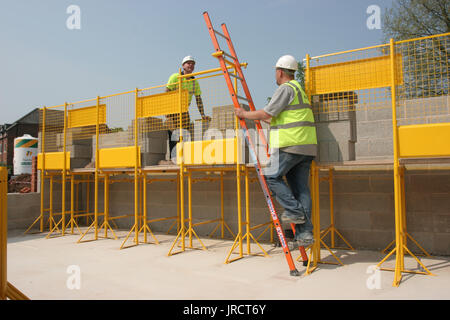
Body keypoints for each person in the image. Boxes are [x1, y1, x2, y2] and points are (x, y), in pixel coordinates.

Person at [234, 55, 317, 247]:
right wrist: (261, 117)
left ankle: (294, 211)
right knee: (301, 190)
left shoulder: (285, 88)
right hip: (307, 146)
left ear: (280, 72)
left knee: (271, 176)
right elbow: (276, 118)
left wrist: (244, 114)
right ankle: (305, 235)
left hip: (290, 144)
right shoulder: (299, 90)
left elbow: (267, 113)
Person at [160, 56, 210, 164]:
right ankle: (173, 159)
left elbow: (198, 99)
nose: (191, 65)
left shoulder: (194, 82)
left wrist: (203, 114)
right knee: (173, 135)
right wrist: (166, 112)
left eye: (192, 63)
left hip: (183, 110)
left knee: (185, 133)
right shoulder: (175, 77)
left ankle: (184, 157)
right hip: (172, 109)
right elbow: (166, 92)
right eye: (188, 63)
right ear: (183, 66)